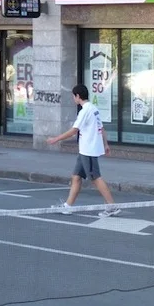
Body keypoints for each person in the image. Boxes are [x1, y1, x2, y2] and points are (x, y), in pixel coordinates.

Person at [47, 84, 120, 216]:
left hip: (89, 150)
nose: (73, 99)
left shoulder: (85, 111)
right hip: (84, 150)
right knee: (76, 177)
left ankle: (111, 206)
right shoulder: (94, 109)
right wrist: (106, 144)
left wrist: (56, 139)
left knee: (95, 178)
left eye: (73, 96)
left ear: (78, 96)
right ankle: (68, 206)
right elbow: (101, 128)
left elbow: (74, 130)